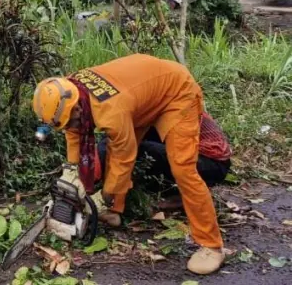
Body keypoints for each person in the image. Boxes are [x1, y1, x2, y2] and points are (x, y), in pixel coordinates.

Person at [32, 54, 230, 276]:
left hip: (176, 92)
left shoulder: (111, 110)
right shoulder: (68, 90)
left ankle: (212, 245)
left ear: (77, 108)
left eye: (72, 121)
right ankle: (116, 211)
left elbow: (125, 157)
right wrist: (70, 168)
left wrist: (103, 197)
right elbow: (73, 132)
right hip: (142, 95)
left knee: (182, 169)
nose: (72, 126)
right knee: (115, 149)